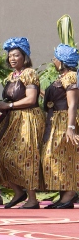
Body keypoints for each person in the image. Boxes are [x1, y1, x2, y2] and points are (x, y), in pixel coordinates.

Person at [0, 37, 44, 209]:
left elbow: (31, 98)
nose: (12, 58)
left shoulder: (29, 73)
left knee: (25, 156)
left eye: (16, 55)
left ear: (25, 57)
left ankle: (33, 198)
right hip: (11, 119)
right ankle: (18, 192)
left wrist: (9, 105)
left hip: (28, 118)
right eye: (10, 56)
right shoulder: (11, 76)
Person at [41, 45, 79, 208]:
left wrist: (70, 127)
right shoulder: (62, 77)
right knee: (58, 158)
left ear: (62, 61)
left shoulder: (70, 76)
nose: (54, 61)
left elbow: (72, 104)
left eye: (55, 58)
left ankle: (70, 193)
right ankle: (64, 195)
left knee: (57, 156)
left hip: (63, 121)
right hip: (54, 119)